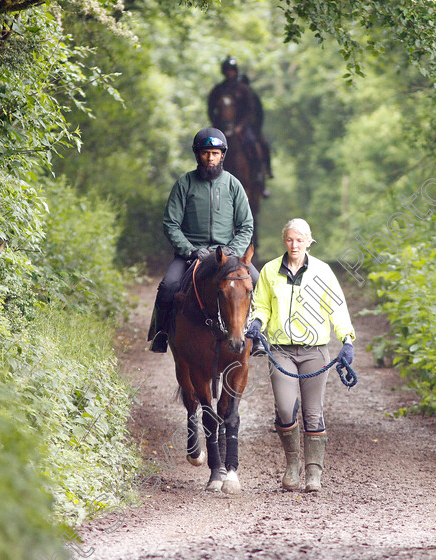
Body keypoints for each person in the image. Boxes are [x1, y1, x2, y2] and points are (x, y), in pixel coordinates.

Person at [245, 219, 356, 491]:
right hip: (281, 351)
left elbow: (337, 310)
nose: (294, 245)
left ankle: (313, 473)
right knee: (285, 409)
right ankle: (292, 465)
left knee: (313, 412)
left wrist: (347, 340)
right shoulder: (270, 271)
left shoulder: (323, 272)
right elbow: (261, 306)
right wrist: (257, 322)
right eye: (290, 239)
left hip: (315, 351)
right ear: (284, 241)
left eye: (300, 240)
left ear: (309, 241)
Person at [147, 127, 259, 354]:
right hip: (191, 254)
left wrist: (232, 250)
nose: (210, 158)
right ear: (197, 154)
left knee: (257, 282)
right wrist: (189, 250)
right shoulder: (184, 184)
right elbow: (171, 223)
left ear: (222, 155)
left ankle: (258, 336)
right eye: (206, 153)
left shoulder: (233, 185)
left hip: (227, 254)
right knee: (168, 286)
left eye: (215, 153)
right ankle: (161, 333)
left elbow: (246, 225)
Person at [207, 56, 272, 189]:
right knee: (207, 148)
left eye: (231, 70)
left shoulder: (243, 89)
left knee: (252, 143)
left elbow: (250, 110)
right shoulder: (218, 90)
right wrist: (217, 125)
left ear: (235, 71)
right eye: (227, 70)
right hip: (222, 128)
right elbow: (210, 109)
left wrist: (240, 127)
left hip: (242, 126)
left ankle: (258, 175)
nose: (229, 73)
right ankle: (206, 178)